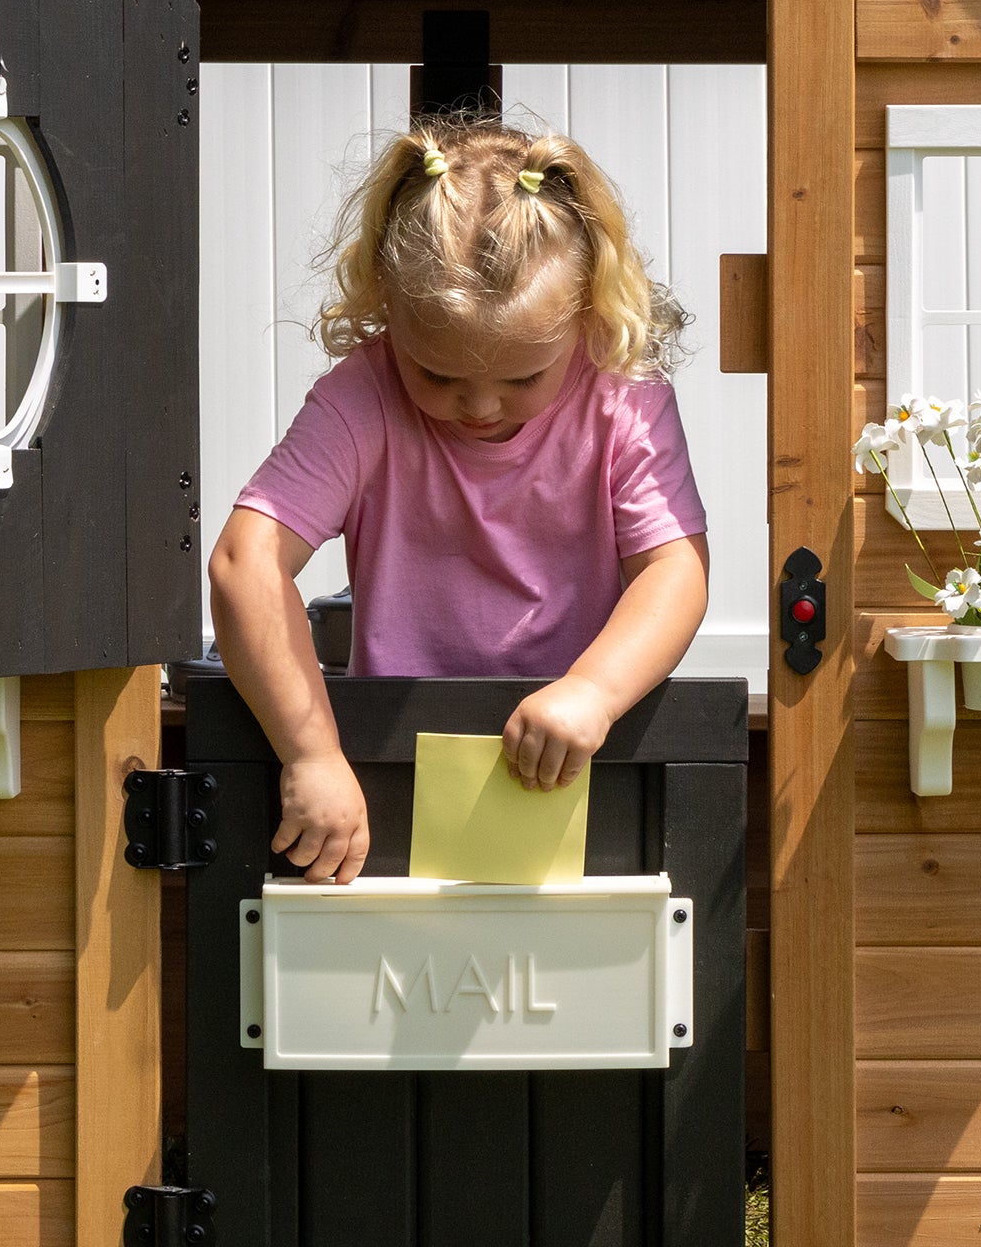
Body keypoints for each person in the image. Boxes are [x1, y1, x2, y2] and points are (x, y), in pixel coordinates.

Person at [207, 119, 710, 885]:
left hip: (580, 762)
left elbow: (674, 570)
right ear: (386, 308)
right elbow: (246, 563)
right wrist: (311, 751)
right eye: (438, 375)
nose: (478, 405)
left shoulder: (624, 401)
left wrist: (593, 692)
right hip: (389, 757)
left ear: (586, 319)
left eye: (520, 380)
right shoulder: (364, 398)